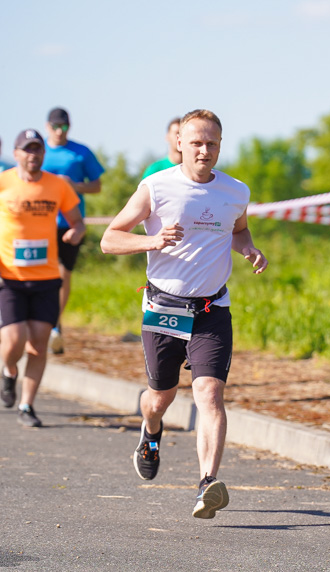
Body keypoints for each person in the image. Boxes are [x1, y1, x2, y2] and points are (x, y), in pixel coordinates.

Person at [100, 109, 268, 519]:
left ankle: (207, 483)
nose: (204, 150)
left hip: (212, 308)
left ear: (220, 145)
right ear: (180, 144)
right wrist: (153, 241)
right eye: (196, 143)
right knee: (160, 397)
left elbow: (238, 229)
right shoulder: (156, 187)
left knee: (209, 394)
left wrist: (247, 247)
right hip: (163, 307)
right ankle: (151, 430)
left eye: (212, 143)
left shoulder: (235, 191)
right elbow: (109, 239)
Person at [0, 129, 84, 427]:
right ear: (16, 153)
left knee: (39, 342)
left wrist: (76, 232)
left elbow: (77, 220)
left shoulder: (57, 185)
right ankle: (9, 371)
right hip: (10, 276)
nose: (33, 155)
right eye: (27, 149)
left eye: (37, 149)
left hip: (47, 276)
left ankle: (26, 405)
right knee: (14, 340)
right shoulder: (3, 182)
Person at [42, 107, 105, 355]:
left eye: (65, 127)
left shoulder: (81, 152)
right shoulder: (37, 151)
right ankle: (39, 322)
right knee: (41, 273)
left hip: (71, 223)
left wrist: (74, 186)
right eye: (56, 126)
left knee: (62, 275)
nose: (60, 131)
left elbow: (97, 185)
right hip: (40, 223)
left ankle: (55, 324)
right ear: (48, 126)